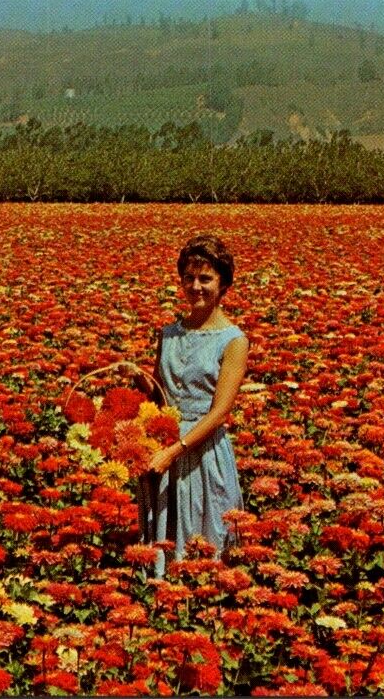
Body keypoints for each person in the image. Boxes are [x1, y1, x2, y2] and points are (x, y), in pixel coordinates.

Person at [130, 234, 249, 577]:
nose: (195, 286)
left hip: (202, 452)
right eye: (189, 278)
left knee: (203, 538)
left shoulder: (234, 341)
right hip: (162, 447)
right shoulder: (168, 334)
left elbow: (220, 412)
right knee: (163, 543)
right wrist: (139, 380)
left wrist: (174, 451)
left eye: (205, 279)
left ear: (224, 283)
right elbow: (160, 400)